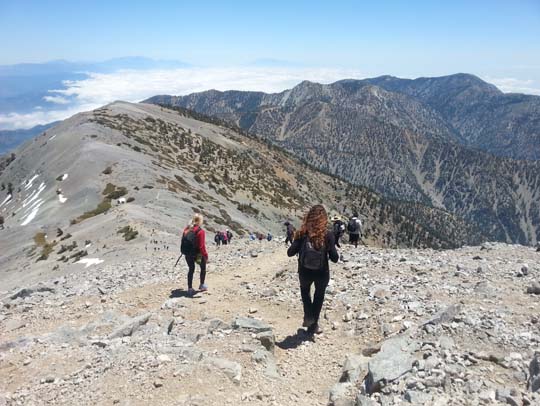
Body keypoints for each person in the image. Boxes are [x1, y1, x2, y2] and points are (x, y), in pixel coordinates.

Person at [287, 205, 338, 335]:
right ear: (324, 219)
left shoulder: (302, 233)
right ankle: (313, 325)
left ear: (309, 217)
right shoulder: (328, 234)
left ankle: (308, 316)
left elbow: (290, 253)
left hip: (304, 271)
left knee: (305, 292)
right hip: (322, 272)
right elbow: (334, 258)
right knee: (319, 296)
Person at [181, 214, 209, 296]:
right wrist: (206, 256)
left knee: (191, 269)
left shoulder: (186, 229)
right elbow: (201, 246)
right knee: (203, 268)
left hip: (188, 253)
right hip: (197, 255)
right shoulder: (201, 231)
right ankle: (202, 285)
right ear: (200, 221)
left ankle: (190, 288)